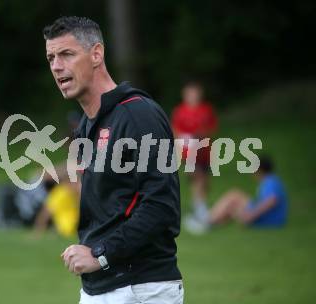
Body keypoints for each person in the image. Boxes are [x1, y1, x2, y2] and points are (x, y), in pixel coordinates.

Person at [43, 16, 183, 303]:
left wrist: (100, 253)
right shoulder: (86, 125)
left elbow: (161, 206)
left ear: (96, 54)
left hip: (142, 288)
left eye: (67, 54)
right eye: (51, 57)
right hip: (99, 287)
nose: (57, 66)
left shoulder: (138, 114)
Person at [186, 156, 288, 234]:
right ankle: (209, 224)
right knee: (232, 207)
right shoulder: (272, 180)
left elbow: (272, 200)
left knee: (234, 196)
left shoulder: (270, 181)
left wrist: (251, 215)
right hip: (270, 220)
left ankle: (206, 221)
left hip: (269, 221)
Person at [171, 82, 218, 224]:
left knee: (204, 179)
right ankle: (199, 207)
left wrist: (203, 135)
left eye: (195, 93)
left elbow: (212, 127)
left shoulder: (206, 109)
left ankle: (199, 204)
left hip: (204, 149)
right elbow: (175, 129)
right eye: (190, 93)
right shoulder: (180, 111)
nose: (193, 96)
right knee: (196, 176)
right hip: (189, 150)